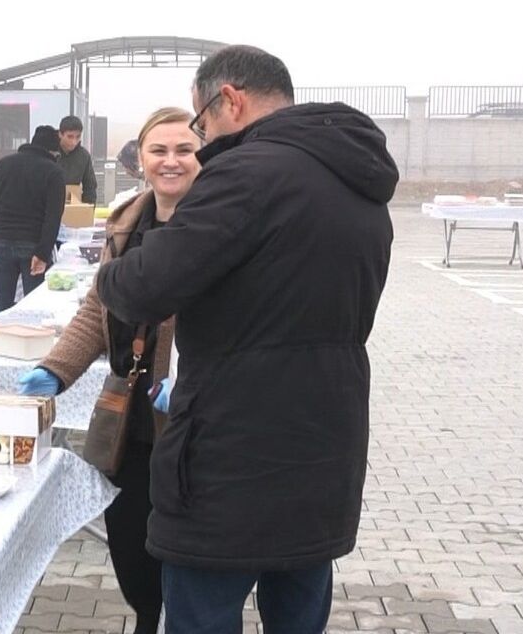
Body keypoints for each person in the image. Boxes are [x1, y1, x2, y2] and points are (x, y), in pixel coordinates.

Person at [97, 45, 398, 633]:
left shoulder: (245, 173)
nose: (203, 143)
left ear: (229, 100)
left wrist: (111, 268)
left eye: (201, 127)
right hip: (325, 447)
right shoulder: (358, 179)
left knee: (202, 612)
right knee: (298, 611)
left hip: (230, 458)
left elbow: (145, 288)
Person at [17, 107, 202, 634]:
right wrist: (56, 370)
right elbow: (99, 309)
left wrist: (193, 377)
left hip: (193, 420)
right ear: (140, 158)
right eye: (158, 151)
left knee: (186, 547)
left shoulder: (218, 223)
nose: (171, 161)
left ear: (201, 156)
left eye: (184, 150)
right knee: (129, 541)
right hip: (130, 414)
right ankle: (149, 615)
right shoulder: (127, 222)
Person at [0, 124, 66, 317]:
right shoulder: (53, 172)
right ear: (53, 151)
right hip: (33, 248)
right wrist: (44, 253)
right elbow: (53, 217)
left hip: (2, 242)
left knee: (1, 303)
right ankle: (29, 344)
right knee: (33, 305)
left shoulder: (3, 164)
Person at [57, 115, 98, 204]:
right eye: (70, 136)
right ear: (60, 134)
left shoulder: (84, 156)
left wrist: (88, 211)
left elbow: (90, 187)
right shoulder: (50, 153)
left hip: (73, 205)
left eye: (78, 137)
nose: (74, 142)